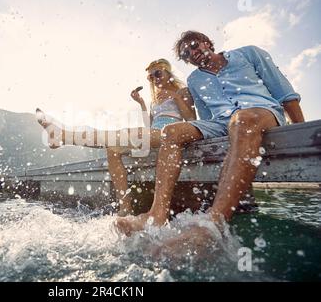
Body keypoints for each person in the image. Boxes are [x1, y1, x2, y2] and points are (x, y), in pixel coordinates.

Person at [115, 31, 305, 236]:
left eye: (194, 46)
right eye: (186, 54)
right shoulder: (195, 80)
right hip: (221, 124)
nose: (192, 53)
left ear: (208, 43)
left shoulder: (248, 54)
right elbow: (204, 119)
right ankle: (156, 216)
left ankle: (214, 222)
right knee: (170, 132)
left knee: (241, 120)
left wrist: (301, 133)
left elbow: (285, 94)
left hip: (262, 112)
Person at [36, 59, 196, 216]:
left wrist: (175, 97)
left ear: (168, 73)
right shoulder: (155, 100)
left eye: (157, 74)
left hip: (171, 133)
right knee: (112, 148)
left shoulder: (182, 92)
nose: (154, 79)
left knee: (125, 133)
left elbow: (192, 120)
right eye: (150, 77)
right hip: (154, 134)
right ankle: (125, 207)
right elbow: (149, 125)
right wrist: (141, 103)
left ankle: (64, 136)